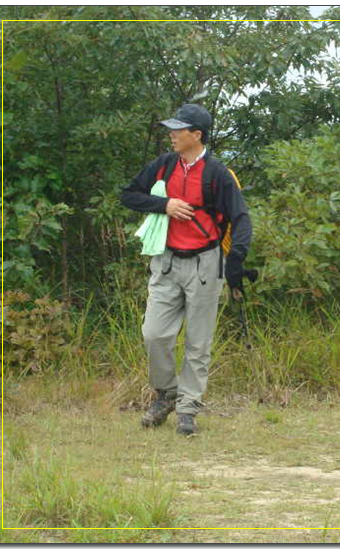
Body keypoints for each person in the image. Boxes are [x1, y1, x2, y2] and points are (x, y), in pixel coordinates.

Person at [121, 104, 252, 436]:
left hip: (206, 264)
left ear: (197, 135)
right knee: (154, 334)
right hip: (165, 261)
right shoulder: (164, 165)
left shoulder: (218, 173)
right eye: (172, 128)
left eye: (179, 129)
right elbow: (129, 195)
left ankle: (188, 409)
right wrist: (164, 204)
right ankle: (166, 395)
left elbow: (241, 218)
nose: (172, 134)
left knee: (198, 342)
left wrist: (235, 260)